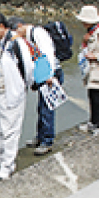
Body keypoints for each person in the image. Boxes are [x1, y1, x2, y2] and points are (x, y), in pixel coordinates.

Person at [0, 12, 34, 180]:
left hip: (12, 93)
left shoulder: (17, 43)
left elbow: (28, 68)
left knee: (10, 130)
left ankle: (8, 165)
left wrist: (21, 88)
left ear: (2, 27)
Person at [9, 17, 64, 156]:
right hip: (42, 74)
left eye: (15, 32)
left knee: (47, 108)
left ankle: (47, 141)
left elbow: (47, 54)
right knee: (41, 107)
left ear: (20, 26)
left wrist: (49, 76)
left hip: (50, 74)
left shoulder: (38, 33)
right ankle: (40, 137)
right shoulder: (27, 36)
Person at [75, 5, 99, 135]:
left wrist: (95, 56)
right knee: (92, 97)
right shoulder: (91, 33)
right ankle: (92, 123)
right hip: (92, 71)